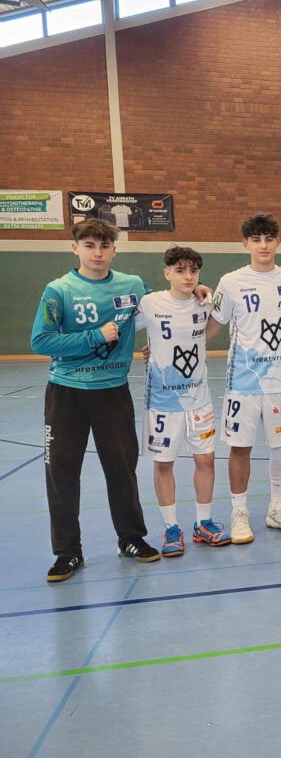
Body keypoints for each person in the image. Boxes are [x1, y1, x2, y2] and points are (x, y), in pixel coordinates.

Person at [31, 219, 159, 580]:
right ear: (76, 248)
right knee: (61, 473)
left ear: (114, 250)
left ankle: (130, 538)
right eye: (89, 245)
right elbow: (40, 340)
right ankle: (68, 551)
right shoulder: (58, 290)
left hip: (112, 392)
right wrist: (95, 336)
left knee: (122, 469)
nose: (97, 253)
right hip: (66, 393)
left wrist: (198, 290)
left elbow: (162, 308)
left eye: (104, 246)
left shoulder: (133, 286)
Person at [207, 213, 281, 543]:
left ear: (278, 241)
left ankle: (277, 508)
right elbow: (212, 326)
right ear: (245, 244)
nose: (263, 245)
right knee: (240, 448)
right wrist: (169, 345)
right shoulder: (230, 281)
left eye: (269, 239)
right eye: (256, 239)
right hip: (244, 382)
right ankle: (239, 512)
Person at [136, 246, 229, 556]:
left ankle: (203, 523)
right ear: (167, 273)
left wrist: (207, 291)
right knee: (164, 464)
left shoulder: (204, 301)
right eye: (180, 271)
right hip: (163, 402)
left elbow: (209, 330)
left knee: (206, 460)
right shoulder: (150, 303)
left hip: (199, 399)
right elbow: (124, 330)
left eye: (193, 271)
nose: (188, 276)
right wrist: (146, 352)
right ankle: (171, 527)